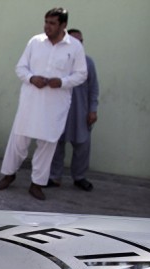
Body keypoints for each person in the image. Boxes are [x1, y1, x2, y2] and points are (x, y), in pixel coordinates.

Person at [0, 8, 87, 201]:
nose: (47, 26)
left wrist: (61, 82)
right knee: (19, 141)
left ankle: (37, 184)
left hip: (55, 105)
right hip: (30, 101)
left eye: (52, 23)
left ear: (63, 25)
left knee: (47, 145)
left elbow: (81, 74)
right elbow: (20, 68)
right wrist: (31, 78)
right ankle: (9, 174)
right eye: (46, 22)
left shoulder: (75, 47)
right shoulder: (35, 42)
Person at [47, 29, 99, 191]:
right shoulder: (57, 61)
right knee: (56, 144)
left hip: (80, 112)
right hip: (59, 111)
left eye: (81, 41)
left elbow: (94, 89)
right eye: (75, 41)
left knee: (82, 145)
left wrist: (93, 110)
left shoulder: (88, 63)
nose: (79, 45)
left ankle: (79, 177)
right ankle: (54, 177)